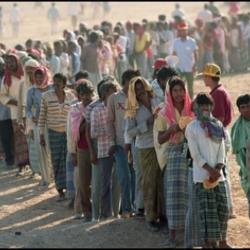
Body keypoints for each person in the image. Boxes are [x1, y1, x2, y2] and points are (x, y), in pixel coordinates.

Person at [185, 92, 231, 248]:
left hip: (218, 175)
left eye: (208, 104)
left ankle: (223, 241)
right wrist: (210, 171)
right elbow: (195, 155)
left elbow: (222, 150)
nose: (205, 107)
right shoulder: (191, 128)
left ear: (212, 106)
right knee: (207, 212)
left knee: (223, 209)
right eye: (202, 104)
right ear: (196, 107)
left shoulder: (217, 125)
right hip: (202, 176)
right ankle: (208, 243)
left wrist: (218, 168)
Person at [156, 76, 193, 247]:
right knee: (172, 194)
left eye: (181, 90)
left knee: (189, 193)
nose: (178, 94)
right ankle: (172, 234)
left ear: (185, 91)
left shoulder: (192, 109)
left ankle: (189, 233)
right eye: (175, 91)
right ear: (170, 93)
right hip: (173, 155)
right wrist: (173, 129)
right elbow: (160, 139)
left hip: (191, 155)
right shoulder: (163, 113)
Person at [125, 76, 163, 232]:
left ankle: (162, 215)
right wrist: (146, 124)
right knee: (149, 182)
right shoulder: (132, 108)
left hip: (161, 144)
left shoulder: (156, 100)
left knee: (161, 181)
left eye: (142, 88)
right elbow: (130, 132)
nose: (140, 91)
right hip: (146, 147)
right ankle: (150, 217)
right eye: (137, 89)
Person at [200, 63, 235, 218]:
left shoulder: (217, 94)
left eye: (204, 76)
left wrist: (210, 134)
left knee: (221, 171)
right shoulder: (219, 91)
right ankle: (228, 207)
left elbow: (219, 118)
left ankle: (228, 208)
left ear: (209, 76)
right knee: (222, 170)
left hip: (218, 134)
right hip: (220, 133)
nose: (203, 79)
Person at [107, 69, 141, 218]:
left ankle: (132, 207)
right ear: (125, 81)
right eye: (131, 81)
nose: (133, 85)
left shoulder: (139, 97)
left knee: (135, 176)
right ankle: (126, 208)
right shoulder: (114, 98)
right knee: (124, 176)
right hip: (120, 144)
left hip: (136, 143)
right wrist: (111, 142)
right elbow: (109, 121)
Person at [39, 73, 75, 201]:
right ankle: (60, 190)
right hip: (53, 133)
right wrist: (41, 135)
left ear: (64, 84)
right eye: (54, 82)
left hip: (68, 133)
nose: (55, 85)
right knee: (56, 161)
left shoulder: (71, 96)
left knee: (67, 160)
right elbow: (42, 116)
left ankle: (68, 187)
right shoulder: (46, 96)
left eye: (58, 83)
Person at [91, 80, 118, 219]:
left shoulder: (119, 107)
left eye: (114, 93)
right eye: (109, 94)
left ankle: (117, 213)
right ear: (103, 96)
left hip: (119, 148)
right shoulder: (97, 110)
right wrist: (111, 129)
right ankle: (104, 213)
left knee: (118, 183)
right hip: (104, 150)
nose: (113, 96)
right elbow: (93, 132)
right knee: (105, 184)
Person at [67, 80, 95, 221]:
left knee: (97, 182)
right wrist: (73, 152)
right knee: (83, 183)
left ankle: (97, 210)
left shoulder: (96, 106)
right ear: (79, 96)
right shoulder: (75, 110)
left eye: (88, 94)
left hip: (97, 148)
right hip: (82, 148)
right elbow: (74, 131)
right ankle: (87, 211)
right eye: (83, 94)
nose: (86, 97)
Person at [0, 52, 29, 174]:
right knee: (18, 139)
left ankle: (33, 164)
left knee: (29, 138)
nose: (10, 64)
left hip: (28, 111)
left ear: (17, 61)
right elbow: (2, 95)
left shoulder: (25, 75)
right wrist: (13, 102)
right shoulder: (6, 78)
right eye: (8, 62)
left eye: (12, 61)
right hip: (15, 113)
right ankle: (21, 165)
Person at [26, 66, 53, 187]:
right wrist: (31, 116)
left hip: (53, 123)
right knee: (41, 151)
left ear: (45, 76)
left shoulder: (52, 88)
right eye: (36, 77)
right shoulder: (31, 91)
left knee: (52, 150)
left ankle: (53, 175)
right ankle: (45, 178)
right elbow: (27, 109)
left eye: (41, 76)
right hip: (39, 125)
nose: (38, 79)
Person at [231, 94, 250, 219]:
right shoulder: (237, 128)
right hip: (247, 173)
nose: (246, 110)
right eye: (243, 107)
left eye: (249, 106)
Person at [173, 21, 198, 99]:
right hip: (179, 68)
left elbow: (196, 54)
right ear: (179, 31)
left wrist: (195, 65)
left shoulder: (192, 41)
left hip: (189, 67)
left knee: (190, 87)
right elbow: (174, 54)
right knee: (180, 87)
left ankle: (191, 102)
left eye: (184, 30)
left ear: (187, 31)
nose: (183, 32)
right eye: (181, 30)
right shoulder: (176, 42)